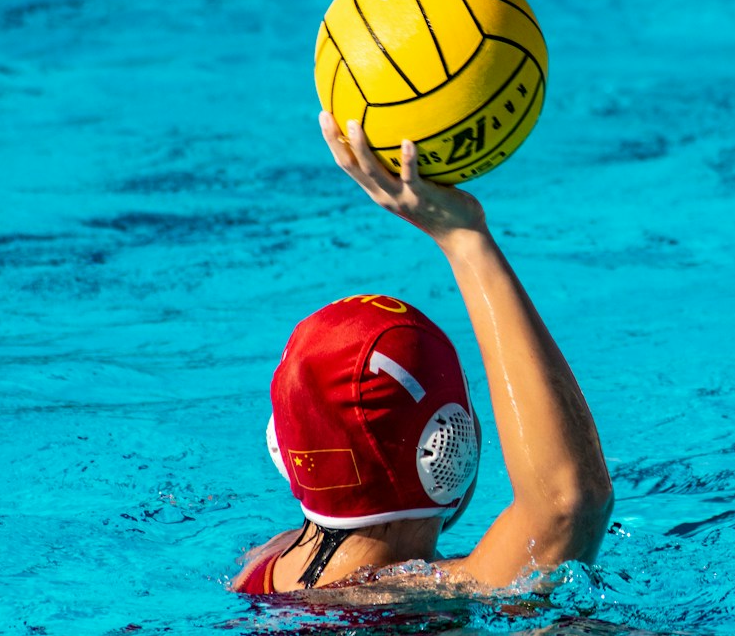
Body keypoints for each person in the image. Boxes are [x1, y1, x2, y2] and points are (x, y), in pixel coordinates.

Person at [231, 112, 613, 594]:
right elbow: (567, 503)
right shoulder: (414, 599)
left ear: (284, 450)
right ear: (447, 451)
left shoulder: (262, 564)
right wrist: (464, 239)